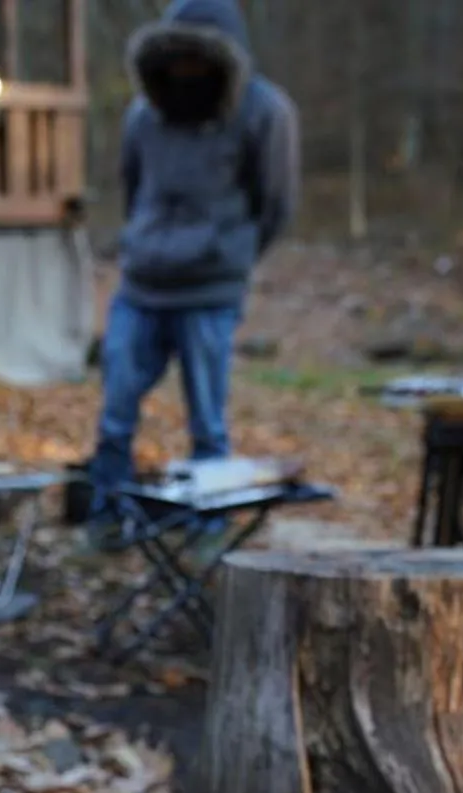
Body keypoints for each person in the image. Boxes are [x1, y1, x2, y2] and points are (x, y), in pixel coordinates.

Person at [86, 0, 300, 502]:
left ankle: (207, 519)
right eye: (177, 56)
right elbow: (134, 186)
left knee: (207, 420)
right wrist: (140, 242)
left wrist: (232, 255)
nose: (186, 69)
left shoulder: (265, 111)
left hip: (210, 289)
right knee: (115, 410)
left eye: (197, 57)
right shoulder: (144, 114)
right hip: (141, 284)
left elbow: (277, 202)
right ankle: (108, 509)